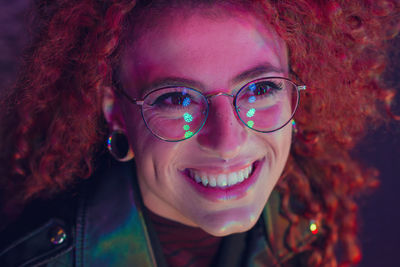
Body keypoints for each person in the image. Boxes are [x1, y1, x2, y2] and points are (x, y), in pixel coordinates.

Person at [0, 0, 398, 266]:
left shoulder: (309, 225)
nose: (227, 142)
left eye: (260, 89)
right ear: (115, 111)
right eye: (176, 99)